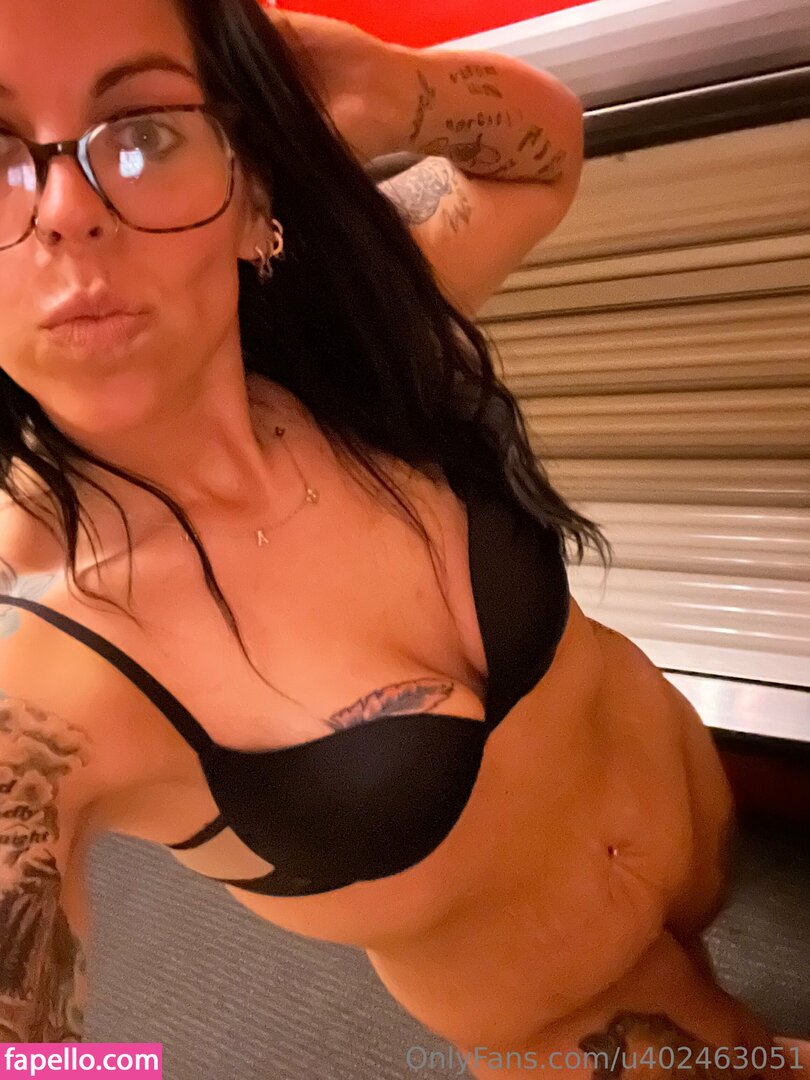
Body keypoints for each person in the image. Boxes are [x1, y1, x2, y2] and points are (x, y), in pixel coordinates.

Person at [0, 1, 806, 1076]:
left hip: (699, 829)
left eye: (143, 134)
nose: (67, 210)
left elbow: (540, 154)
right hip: (581, 1032)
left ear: (249, 195)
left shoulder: (353, 345)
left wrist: (379, 85)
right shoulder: (41, 676)